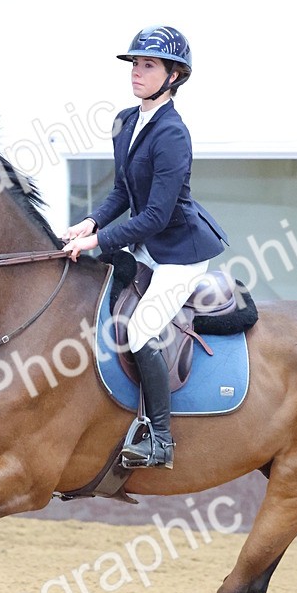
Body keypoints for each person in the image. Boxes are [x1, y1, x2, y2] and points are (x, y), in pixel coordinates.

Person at [62, 25, 228, 469]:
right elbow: (122, 192)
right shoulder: (125, 120)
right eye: (135, 63)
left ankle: (160, 438)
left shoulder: (173, 134)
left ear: (174, 76)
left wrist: (99, 241)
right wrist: (90, 222)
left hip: (180, 252)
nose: (136, 71)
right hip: (148, 245)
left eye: (148, 64)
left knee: (139, 329)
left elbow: (155, 215)